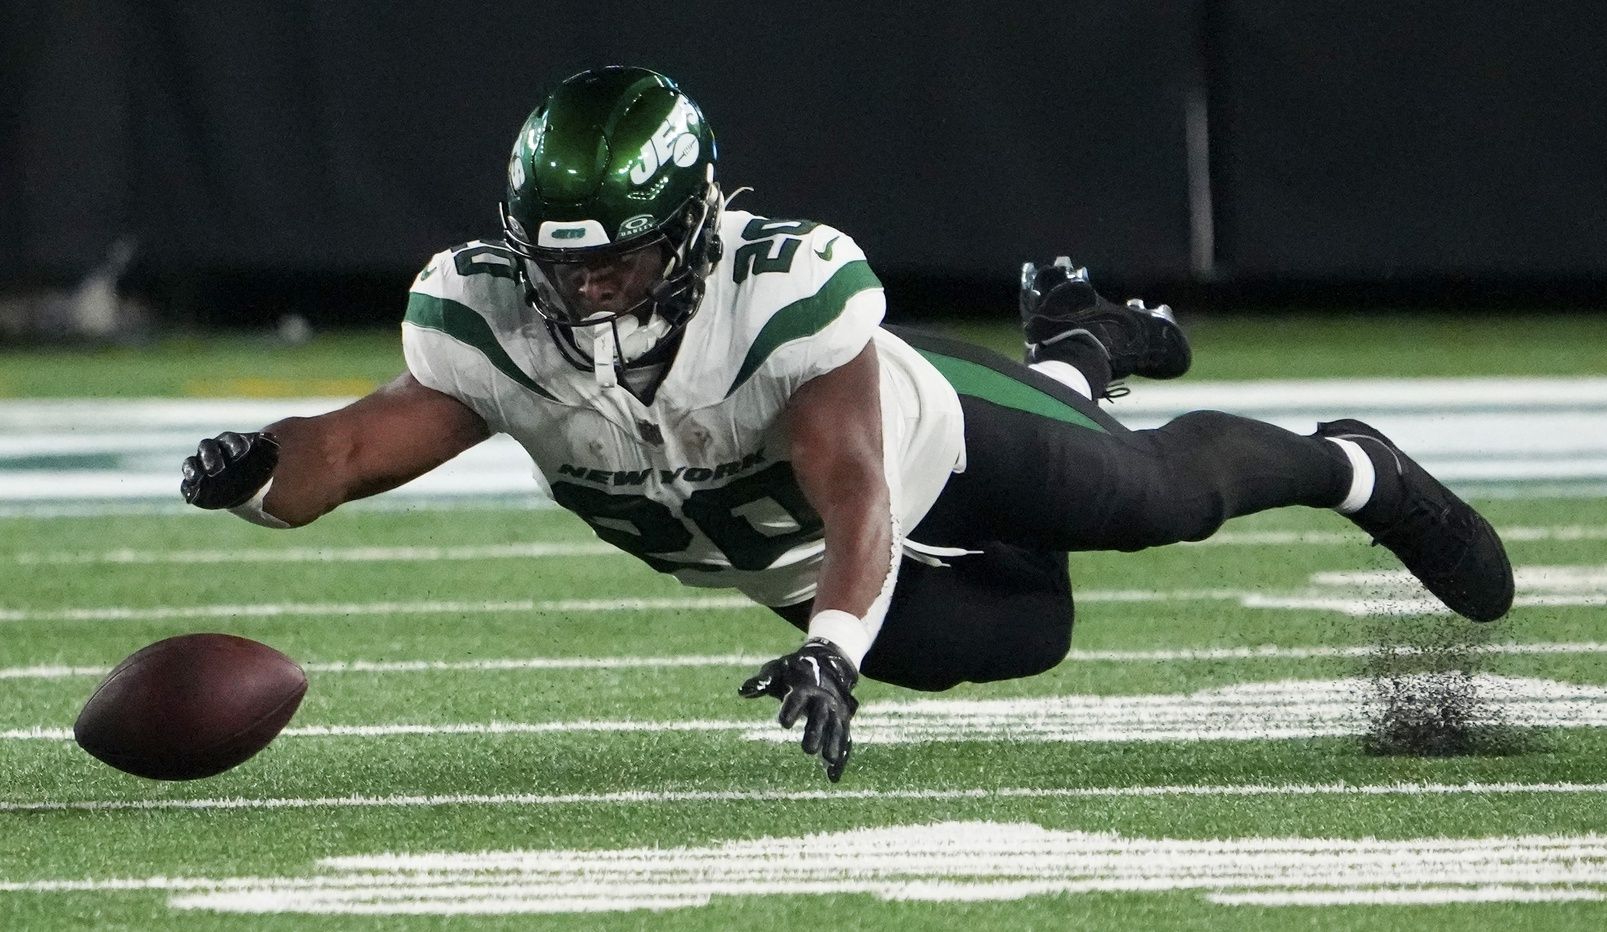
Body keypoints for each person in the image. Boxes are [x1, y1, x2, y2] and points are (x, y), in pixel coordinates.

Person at [180, 66, 1514, 783]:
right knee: (1022, 636)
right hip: (786, 559)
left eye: (622, 258)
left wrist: (830, 645)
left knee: (1151, 503)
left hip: (928, 445)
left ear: (696, 227)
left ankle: (1356, 468)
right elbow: (348, 450)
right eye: (565, 260)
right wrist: (257, 469)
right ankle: (1081, 349)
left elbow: (858, 491)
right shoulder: (482, 325)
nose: (589, 289)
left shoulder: (782, 295)